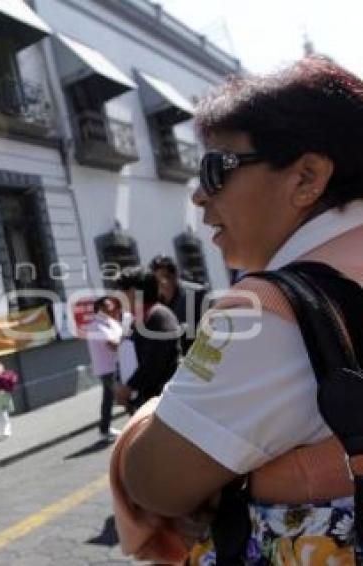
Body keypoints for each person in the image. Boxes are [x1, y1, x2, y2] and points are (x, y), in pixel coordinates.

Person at [116, 57, 363, 563]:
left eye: (216, 168)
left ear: (306, 178)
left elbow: (157, 481)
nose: (199, 195)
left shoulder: (268, 310)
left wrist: (150, 423)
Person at [113, 267, 180, 411]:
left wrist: (130, 386)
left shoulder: (158, 315)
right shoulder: (133, 319)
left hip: (164, 400)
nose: (119, 295)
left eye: (124, 289)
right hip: (144, 400)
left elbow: (154, 360)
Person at [148, 255, 208, 353]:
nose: (159, 285)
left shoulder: (197, 295)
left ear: (174, 276)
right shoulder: (155, 304)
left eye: (162, 279)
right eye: (155, 280)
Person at [85, 296, 123, 441]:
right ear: (100, 308)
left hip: (116, 365)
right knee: (122, 395)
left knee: (109, 398)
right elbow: (112, 344)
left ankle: (104, 429)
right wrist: (126, 342)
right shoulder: (96, 326)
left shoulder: (110, 322)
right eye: (108, 305)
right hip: (107, 369)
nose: (112, 307)